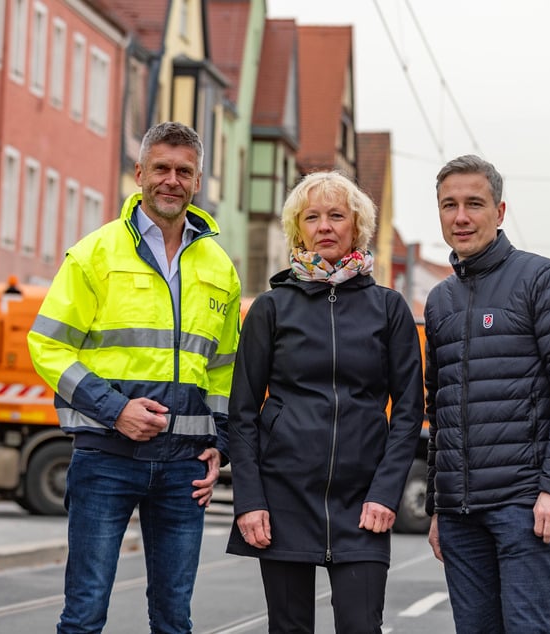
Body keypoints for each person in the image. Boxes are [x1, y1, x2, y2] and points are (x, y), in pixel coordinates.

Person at [27, 121, 241, 634]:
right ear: (139, 172)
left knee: (174, 620)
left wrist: (221, 443)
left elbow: (224, 368)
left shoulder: (221, 268)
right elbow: (47, 345)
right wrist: (115, 410)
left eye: (184, 171)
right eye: (161, 168)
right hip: (106, 458)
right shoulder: (95, 253)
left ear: (198, 181)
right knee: (84, 615)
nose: (172, 180)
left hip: (184, 469)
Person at [226, 171, 425, 633]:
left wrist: (385, 493)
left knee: (361, 626)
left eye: (336, 215)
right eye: (311, 217)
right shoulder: (271, 309)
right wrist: (249, 500)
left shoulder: (388, 308)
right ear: (298, 229)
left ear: (357, 226)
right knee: (289, 628)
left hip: (363, 503)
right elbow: (242, 414)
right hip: (284, 498)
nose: (325, 227)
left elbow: (408, 412)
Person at [423, 154, 550, 634]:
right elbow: (439, 410)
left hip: (524, 508)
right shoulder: (439, 301)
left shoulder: (542, 281)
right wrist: (437, 507)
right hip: (460, 515)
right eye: (449, 205)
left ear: (499, 211)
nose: (461, 217)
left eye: (474, 204)